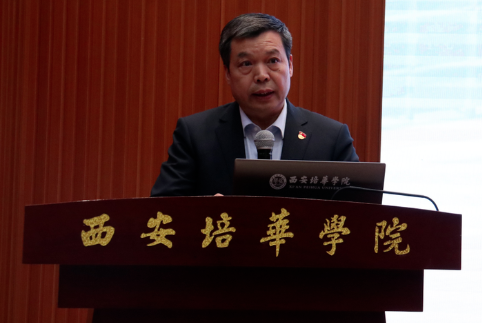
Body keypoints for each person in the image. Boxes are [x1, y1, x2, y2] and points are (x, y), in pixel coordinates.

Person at [151, 13, 359, 197]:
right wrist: (205, 213)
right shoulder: (195, 135)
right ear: (228, 73)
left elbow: (360, 215)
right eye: (246, 64)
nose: (261, 76)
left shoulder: (331, 139)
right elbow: (161, 212)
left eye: (273, 61)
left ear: (290, 65)